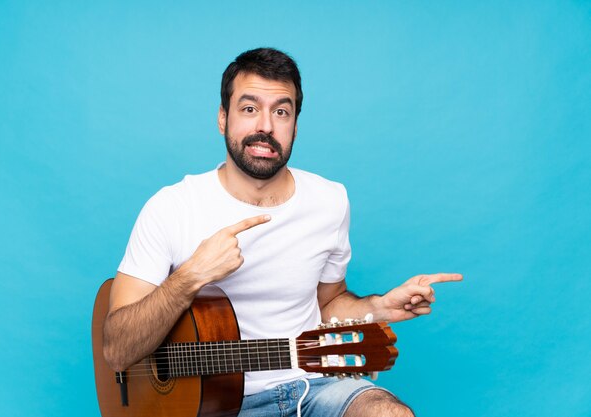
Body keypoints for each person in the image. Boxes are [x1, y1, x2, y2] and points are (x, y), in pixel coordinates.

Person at [102, 47, 462, 417]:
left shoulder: (330, 201)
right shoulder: (171, 207)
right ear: (222, 119)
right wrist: (192, 276)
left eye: (281, 111)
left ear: (295, 125)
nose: (266, 126)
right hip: (208, 406)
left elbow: (328, 304)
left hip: (313, 385)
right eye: (249, 108)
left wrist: (378, 306)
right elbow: (117, 350)